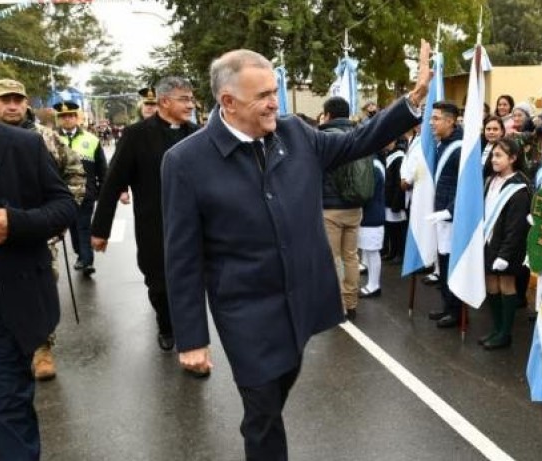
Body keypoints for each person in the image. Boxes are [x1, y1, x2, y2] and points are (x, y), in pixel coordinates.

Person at [160, 43, 431, 459]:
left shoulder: (296, 134)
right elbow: (181, 256)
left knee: (279, 385)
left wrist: (412, 100)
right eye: (263, 96)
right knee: (263, 410)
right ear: (228, 102)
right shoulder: (185, 161)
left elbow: (357, 141)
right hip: (246, 311)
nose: (275, 103)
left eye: (274, 92)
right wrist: (192, 338)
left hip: (302, 299)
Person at [0, 58, 77, 461]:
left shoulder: (21, 144)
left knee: (7, 408)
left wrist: (17, 224)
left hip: (3, 304)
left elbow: (64, 205)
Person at [0, 79, 86, 381]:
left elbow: (74, 173)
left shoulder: (46, 137)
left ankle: (42, 347)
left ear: (27, 102)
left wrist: (59, 218)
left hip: (37, 228)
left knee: (39, 286)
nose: (12, 105)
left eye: (17, 99)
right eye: (5, 100)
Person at [91, 76, 198, 353]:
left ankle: (192, 339)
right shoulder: (136, 135)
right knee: (159, 285)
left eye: (191, 99)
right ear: (165, 101)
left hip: (194, 225)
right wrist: (100, 230)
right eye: (184, 99)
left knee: (191, 284)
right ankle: (166, 324)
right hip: (154, 225)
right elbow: (113, 182)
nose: (191, 105)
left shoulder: (197, 134)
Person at [480, 136, 531, 349]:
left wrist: (505, 254)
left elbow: (516, 227)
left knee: (506, 285)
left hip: (507, 246)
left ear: (513, 158)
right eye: (493, 155)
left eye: (499, 155)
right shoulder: (490, 180)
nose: (494, 159)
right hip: (488, 241)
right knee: (491, 284)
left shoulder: (519, 187)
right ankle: (497, 327)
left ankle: (505, 333)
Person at [319, 96, 365, 319]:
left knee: (333, 258)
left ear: (328, 115)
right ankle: (351, 302)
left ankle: (338, 306)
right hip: (355, 206)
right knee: (351, 256)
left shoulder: (324, 137)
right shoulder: (359, 134)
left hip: (330, 208)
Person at [55, 100, 106, 277]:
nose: (67, 119)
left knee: (84, 226)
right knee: (73, 227)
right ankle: (80, 255)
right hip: (62, 195)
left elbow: (102, 168)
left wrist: (103, 190)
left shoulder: (91, 139)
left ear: (77, 118)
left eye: (70, 116)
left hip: (86, 192)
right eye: (63, 116)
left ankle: (87, 260)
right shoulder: (51, 139)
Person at [426, 101, 465, 328]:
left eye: (436, 118)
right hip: (439, 213)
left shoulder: (460, 148)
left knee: (451, 263)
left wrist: (448, 211)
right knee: (442, 261)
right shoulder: (442, 144)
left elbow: (464, 187)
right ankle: (446, 305)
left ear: (450, 121)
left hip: (451, 216)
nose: (431, 122)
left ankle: (456, 310)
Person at [359, 152, 386, 298]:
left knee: (372, 251)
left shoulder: (373, 166)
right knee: (369, 250)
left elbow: (366, 192)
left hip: (372, 215)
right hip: (371, 214)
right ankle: (372, 283)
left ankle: (374, 285)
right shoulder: (372, 164)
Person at [382, 136, 408, 264]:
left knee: (399, 229)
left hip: (395, 200)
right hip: (389, 198)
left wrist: (396, 203)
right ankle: (392, 252)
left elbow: (399, 183)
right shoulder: (390, 155)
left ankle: (399, 254)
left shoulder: (399, 157)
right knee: (391, 228)